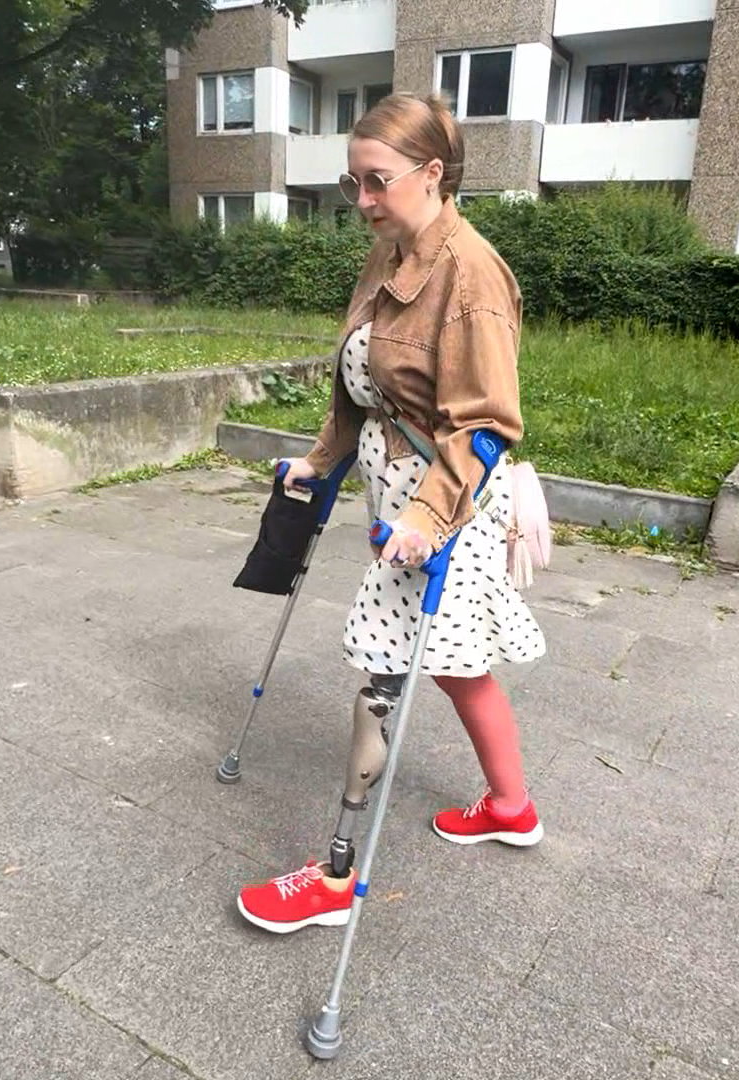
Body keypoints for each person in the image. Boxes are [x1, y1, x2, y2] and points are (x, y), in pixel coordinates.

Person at [234, 93, 547, 934]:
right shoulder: (387, 252)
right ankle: (511, 808)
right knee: (457, 662)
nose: (363, 201)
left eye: (377, 182)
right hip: (395, 499)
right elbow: (357, 383)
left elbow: (484, 426)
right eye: (352, 184)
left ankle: (335, 877)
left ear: (433, 174)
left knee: (384, 665)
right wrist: (319, 461)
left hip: (440, 514)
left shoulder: (472, 274)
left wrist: (425, 522)